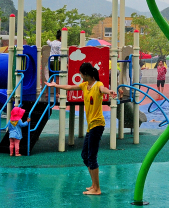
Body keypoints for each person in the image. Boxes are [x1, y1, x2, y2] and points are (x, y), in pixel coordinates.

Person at [45, 62, 117, 195]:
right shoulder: (85, 85)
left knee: (91, 156)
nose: (80, 75)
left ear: (86, 74)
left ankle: (97, 189)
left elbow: (104, 89)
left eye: (81, 73)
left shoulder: (98, 85)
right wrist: (55, 85)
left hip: (97, 124)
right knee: (85, 155)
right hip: (90, 126)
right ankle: (94, 185)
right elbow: (70, 87)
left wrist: (111, 91)